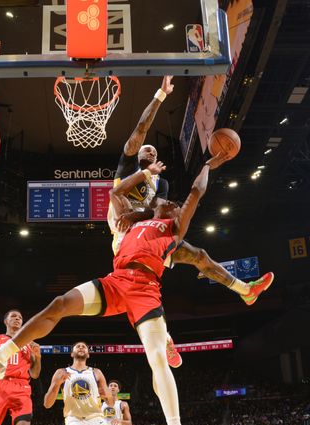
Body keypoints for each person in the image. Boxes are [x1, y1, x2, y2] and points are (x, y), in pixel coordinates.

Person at [0, 153, 257, 425]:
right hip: (115, 284)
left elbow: (198, 206)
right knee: (60, 304)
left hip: (145, 293)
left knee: (156, 360)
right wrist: (144, 175)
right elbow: (115, 194)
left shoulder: (172, 230)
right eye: (165, 201)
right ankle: (1, 354)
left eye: (172, 203)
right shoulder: (131, 220)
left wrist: (208, 165)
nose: (170, 203)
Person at [108, 77, 274, 366]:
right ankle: (165, 339)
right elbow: (140, 129)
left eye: (155, 152)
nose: (150, 152)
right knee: (140, 290)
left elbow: (156, 210)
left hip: (149, 232)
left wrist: (142, 213)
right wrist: (161, 95)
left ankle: (246, 291)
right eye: (147, 150)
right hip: (126, 237)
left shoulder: (161, 184)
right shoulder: (128, 166)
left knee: (199, 255)